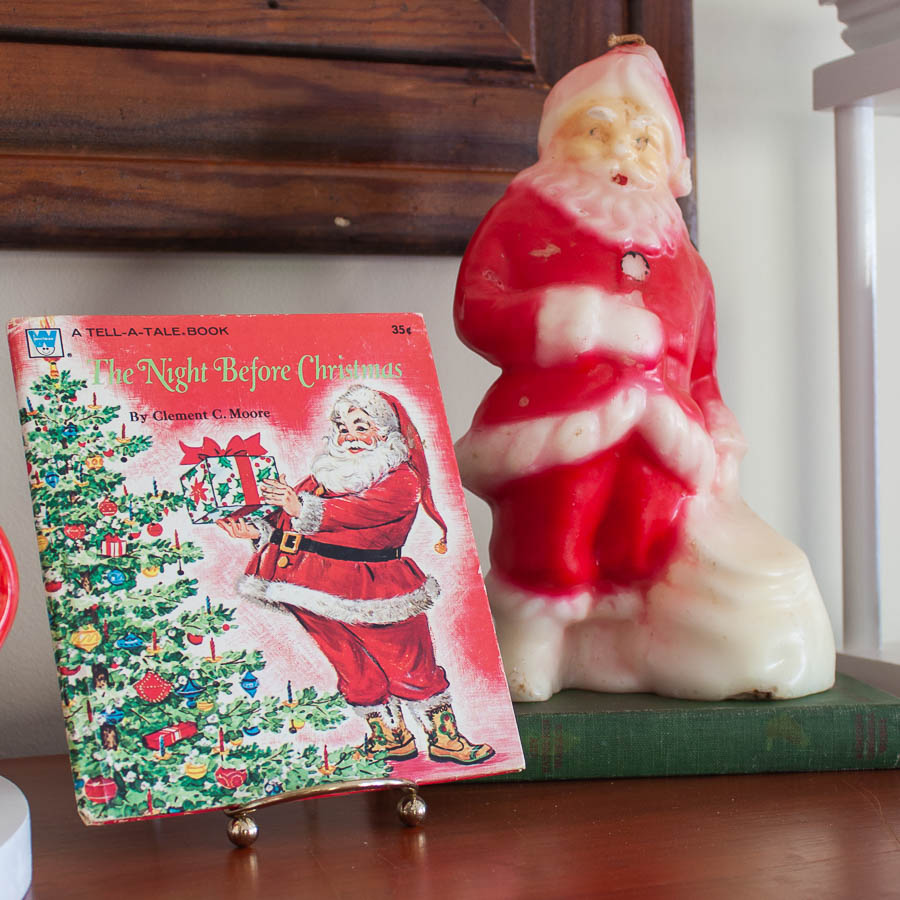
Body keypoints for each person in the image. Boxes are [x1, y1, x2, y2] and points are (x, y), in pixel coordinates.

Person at [454, 36, 835, 702]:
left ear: (670, 164)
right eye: (596, 132)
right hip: (555, 421)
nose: (620, 155)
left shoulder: (688, 263)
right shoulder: (520, 220)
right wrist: (575, 321)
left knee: (644, 534)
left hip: (665, 433)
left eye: (642, 141)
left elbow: (702, 367)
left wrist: (719, 424)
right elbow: (477, 308)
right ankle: (535, 640)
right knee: (552, 529)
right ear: (558, 141)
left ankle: (627, 640)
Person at [218, 384, 494, 766]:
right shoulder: (325, 475)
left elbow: (356, 513)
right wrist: (258, 529)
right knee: (351, 665)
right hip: (309, 585)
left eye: (361, 427)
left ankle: (444, 736)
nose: (349, 437)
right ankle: (390, 736)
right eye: (343, 428)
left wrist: (299, 507)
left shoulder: (401, 478)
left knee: (408, 662)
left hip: (374, 587)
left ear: (385, 433)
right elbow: (286, 517)